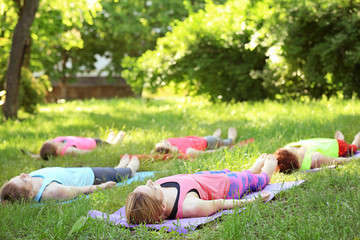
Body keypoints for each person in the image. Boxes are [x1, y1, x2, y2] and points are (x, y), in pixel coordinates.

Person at [125, 153, 278, 224]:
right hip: (228, 185)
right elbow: (220, 203)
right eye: (150, 188)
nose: (150, 181)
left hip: (204, 178)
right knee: (254, 181)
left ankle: (249, 171)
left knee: (240, 174)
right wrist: (253, 200)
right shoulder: (190, 206)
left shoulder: (155, 196)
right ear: (163, 206)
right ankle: (265, 172)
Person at [0, 155, 139, 203]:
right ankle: (129, 168)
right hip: (91, 177)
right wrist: (103, 186)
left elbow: (5, 197)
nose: (23, 174)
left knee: (112, 170)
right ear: (30, 195)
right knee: (129, 171)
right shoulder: (52, 191)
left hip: (79, 172)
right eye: (23, 179)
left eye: (19, 176)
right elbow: (78, 190)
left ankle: (117, 167)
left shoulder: (23, 186)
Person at [274, 130, 360, 173]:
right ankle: (349, 139)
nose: (288, 146)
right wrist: (354, 159)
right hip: (338, 148)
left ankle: (340, 139)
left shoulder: (289, 150)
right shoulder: (315, 159)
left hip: (329, 144)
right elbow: (338, 160)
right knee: (353, 147)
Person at [37, 131, 125, 160]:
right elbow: (85, 152)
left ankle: (108, 140)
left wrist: (37, 156)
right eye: (51, 142)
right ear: (56, 150)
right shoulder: (68, 151)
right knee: (110, 145)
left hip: (89, 140)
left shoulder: (57, 141)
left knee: (105, 141)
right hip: (95, 144)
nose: (52, 140)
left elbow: (45, 153)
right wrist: (99, 151)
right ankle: (115, 142)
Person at [154, 127, 237, 156]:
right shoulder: (186, 151)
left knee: (213, 139)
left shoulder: (170, 141)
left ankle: (215, 136)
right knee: (228, 142)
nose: (165, 140)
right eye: (164, 142)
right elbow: (204, 153)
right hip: (209, 143)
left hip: (202, 139)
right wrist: (219, 151)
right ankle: (231, 137)